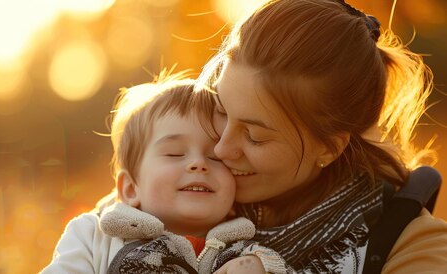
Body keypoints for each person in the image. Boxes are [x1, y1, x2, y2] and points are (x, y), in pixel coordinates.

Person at [194, 0, 447, 272]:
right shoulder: (183, 203)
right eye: (220, 110)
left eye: (255, 136)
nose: (222, 149)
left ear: (329, 147)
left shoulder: (415, 247)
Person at [42, 76, 288, 273]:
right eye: (174, 153)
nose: (198, 164)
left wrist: (261, 267)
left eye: (215, 157)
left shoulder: (245, 251)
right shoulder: (94, 236)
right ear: (130, 188)